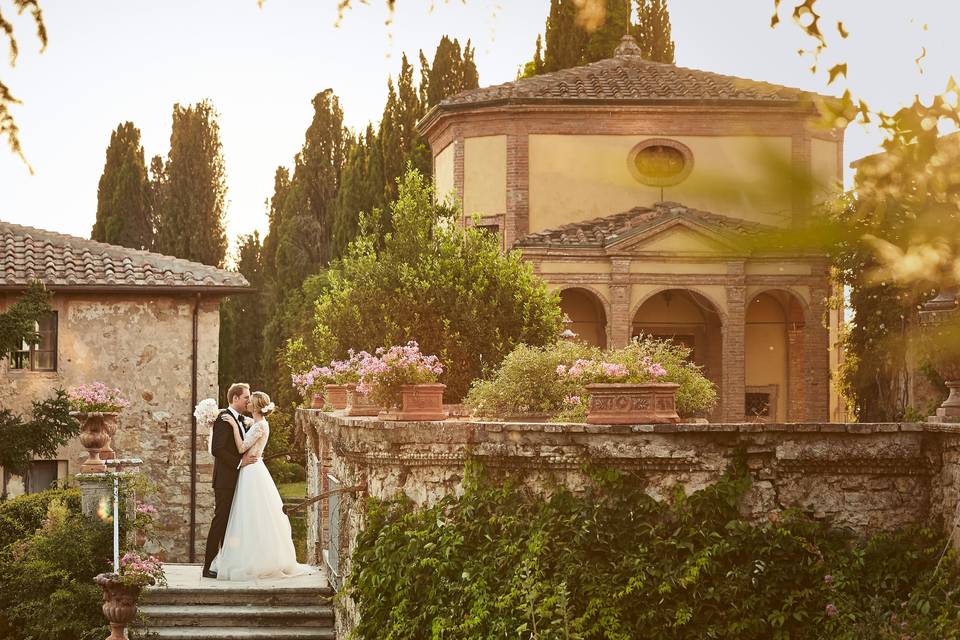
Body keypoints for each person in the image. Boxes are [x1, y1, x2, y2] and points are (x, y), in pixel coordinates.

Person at [210, 390, 315, 581]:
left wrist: (234, 426)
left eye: (250, 401)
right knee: (251, 515)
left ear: (257, 406)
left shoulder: (258, 426)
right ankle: (250, 555)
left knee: (249, 515)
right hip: (253, 470)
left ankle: (252, 559)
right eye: (246, 400)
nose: (247, 403)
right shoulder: (258, 424)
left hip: (251, 471)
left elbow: (242, 448)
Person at [201, 382, 258, 579]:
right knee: (220, 522)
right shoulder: (223, 418)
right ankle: (207, 566)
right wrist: (239, 462)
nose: (248, 401)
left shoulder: (240, 419)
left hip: (236, 480)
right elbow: (217, 449)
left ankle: (223, 564)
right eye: (245, 398)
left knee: (231, 524)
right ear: (235, 398)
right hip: (225, 481)